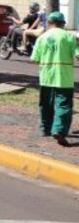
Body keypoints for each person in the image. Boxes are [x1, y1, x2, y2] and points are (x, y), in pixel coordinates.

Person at [30, 11, 79, 145]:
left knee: (46, 103)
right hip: (64, 77)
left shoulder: (42, 38)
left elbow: (34, 59)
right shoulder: (69, 37)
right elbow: (78, 56)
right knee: (64, 104)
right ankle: (58, 130)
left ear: (49, 23)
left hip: (46, 76)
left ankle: (46, 129)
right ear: (63, 24)